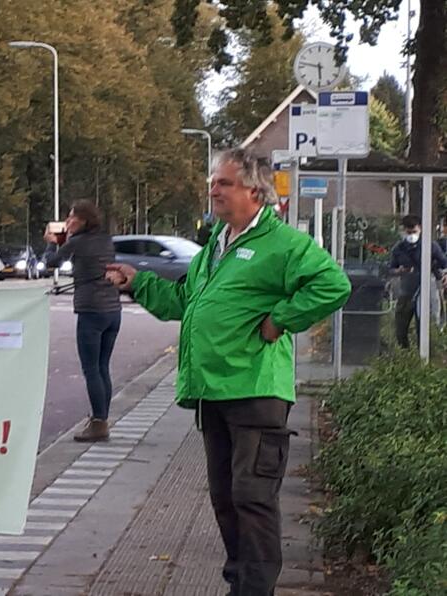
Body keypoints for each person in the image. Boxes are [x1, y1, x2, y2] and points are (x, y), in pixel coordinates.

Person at [106, 148, 350, 595]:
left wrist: (281, 320)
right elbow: (184, 304)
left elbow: (334, 285)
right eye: (213, 182)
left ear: (254, 192)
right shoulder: (216, 244)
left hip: (255, 390)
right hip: (211, 390)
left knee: (253, 498)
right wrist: (137, 281)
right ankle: (240, 583)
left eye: (224, 183)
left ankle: (255, 590)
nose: (213, 189)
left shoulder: (283, 245)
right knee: (224, 499)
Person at [43, 200, 121, 442]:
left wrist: (52, 242)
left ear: (83, 220)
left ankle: (99, 423)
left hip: (91, 310)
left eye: (71, 217)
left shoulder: (77, 242)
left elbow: (51, 262)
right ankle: (102, 417)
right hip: (112, 310)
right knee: (102, 367)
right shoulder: (105, 239)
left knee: (91, 369)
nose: (67, 221)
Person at [389, 214, 447, 346]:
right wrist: (399, 271)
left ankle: (427, 356)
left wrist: (444, 275)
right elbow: (391, 268)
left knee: (427, 326)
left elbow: (444, 263)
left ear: (420, 228)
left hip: (427, 289)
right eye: (408, 232)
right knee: (401, 327)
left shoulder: (430, 245)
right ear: (403, 231)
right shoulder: (399, 249)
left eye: (414, 232)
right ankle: (405, 356)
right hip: (407, 291)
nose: (411, 235)